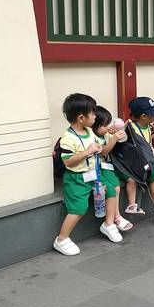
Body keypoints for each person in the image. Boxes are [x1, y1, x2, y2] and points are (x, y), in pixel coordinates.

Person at [54, 93, 109, 255]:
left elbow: (97, 147)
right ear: (81, 118)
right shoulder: (68, 138)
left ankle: (111, 223)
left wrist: (99, 147)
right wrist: (87, 152)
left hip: (93, 174)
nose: (95, 116)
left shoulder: (89, 131)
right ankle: (62, 239)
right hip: (76, 179)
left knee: (107, 192)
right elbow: (68, 161)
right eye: (92, 113)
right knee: (78, 209)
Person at [92, 106, 132, 240]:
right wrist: (113, 138)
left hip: (106, 166)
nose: (107, 127)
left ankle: (117, 216)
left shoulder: (104, 134)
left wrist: (119, 132)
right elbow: (103, 151)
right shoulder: (92, 137)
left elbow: (122, 140)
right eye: (104, 125)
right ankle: (115, 218)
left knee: (116, 187)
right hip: (97, 169)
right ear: (94, 126)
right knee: (112, 189)